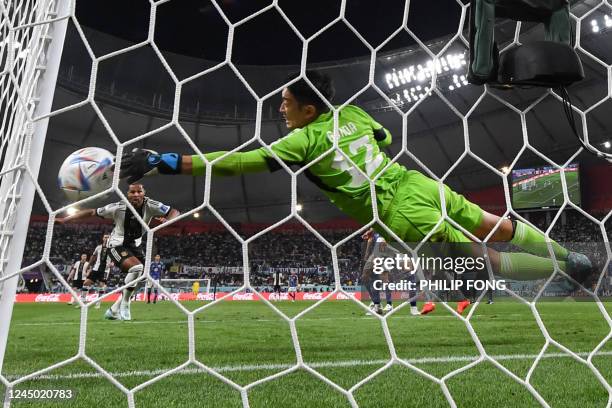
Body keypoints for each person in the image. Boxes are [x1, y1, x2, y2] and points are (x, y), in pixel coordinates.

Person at [118, 71, 593, 290]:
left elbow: (235, 163)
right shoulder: (353, 114)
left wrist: (165, 160)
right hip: (417, 182)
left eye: (285, 103)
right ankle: (570, 256)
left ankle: (561, 272)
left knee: (484, 261)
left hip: (398, 211)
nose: (280, 109)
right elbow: (383, 135)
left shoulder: (299, 143)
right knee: (496, 223)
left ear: (307, 110)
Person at [56, 183, 179, 320]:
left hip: (135, 245)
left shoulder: (151, 204)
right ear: (128, 194)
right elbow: (92, 212)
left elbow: (174, 212)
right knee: (137, 268)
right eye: (133, 192)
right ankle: (125, 303)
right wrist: (64, 219)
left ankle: (113, 310)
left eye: (139, 191)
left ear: (144, 193)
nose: (136, 194)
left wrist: (167, 221)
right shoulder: (117, 207)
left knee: (142, 277)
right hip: (116, 244)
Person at [87, 234, 113, 309]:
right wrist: (89, 264)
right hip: (96, 268)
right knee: (86, 283)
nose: (106, 238)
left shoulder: (112, 248)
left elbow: (115, 257)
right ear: (103, 238)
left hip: (105, 269)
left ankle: (98, 302)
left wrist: (113, 263)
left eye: (108, 237)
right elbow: (93, 256)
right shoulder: (98, 247)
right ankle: (83, 301)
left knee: (101, 285)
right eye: (105, 237)